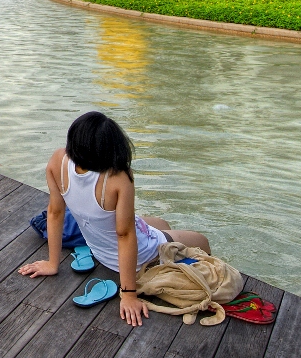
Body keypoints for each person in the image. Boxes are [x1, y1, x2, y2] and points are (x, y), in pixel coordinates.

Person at [20, 111, 212, 326]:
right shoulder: (118, 178)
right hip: (140, 257)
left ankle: (169, 238)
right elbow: (125, 235)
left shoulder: (58, 160)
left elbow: (55, 213)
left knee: (160, 223)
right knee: (201, 240)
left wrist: (52, 263)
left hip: (101, 251)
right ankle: (197, 263)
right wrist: (129, 294)